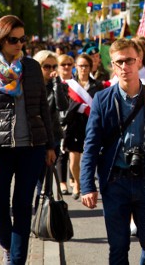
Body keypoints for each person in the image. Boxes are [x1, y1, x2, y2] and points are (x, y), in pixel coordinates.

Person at [0, 15, 56, 264]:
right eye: (13, 40)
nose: (19, 44)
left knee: (22, 207)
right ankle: (8, 246)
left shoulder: (30, 67)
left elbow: (42, 106)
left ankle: (16, 259)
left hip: (32, 148)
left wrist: (50, 144)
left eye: (23, 39)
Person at [80, 38, 145, 265]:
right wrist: (87, 185)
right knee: (118, 248)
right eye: (119, 62)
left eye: (129, 61)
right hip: (115, 182)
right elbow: (91, 144)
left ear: (139, 61)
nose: (125, 67)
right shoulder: (102, 99)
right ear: (112, 66)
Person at [61, 53, 104, 199]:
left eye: (86, 66)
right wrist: (77, 107)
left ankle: (88, 184)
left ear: (90, 67)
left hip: (91, 124)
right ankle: (77, 183)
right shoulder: (68, 85)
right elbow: (64, 104)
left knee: (90, 156)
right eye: (80, 66)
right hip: (74, 124)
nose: (83, 69)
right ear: (76, 67)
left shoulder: (97, 85)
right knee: (73, 158)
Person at [32, 50, 68, 211]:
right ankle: (36, 210)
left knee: (46, 178)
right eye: (47, 66)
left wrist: (56, 84)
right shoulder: (31, 86)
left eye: (54, 66)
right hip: (34, 136)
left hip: (53, 136)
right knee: (35, 178)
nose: (51, 70)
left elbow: (62, 106)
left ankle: (41, 212)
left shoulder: (59, 85)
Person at [55, 53, 75, 194]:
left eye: (69, 64)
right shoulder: (56, 82)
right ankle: (62, 182)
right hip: (59, 121)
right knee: (62, 153)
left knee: (73, 151)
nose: (66, 67)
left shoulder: (76, 82)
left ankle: (73, 178)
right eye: (63, 64)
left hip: (75, 121)